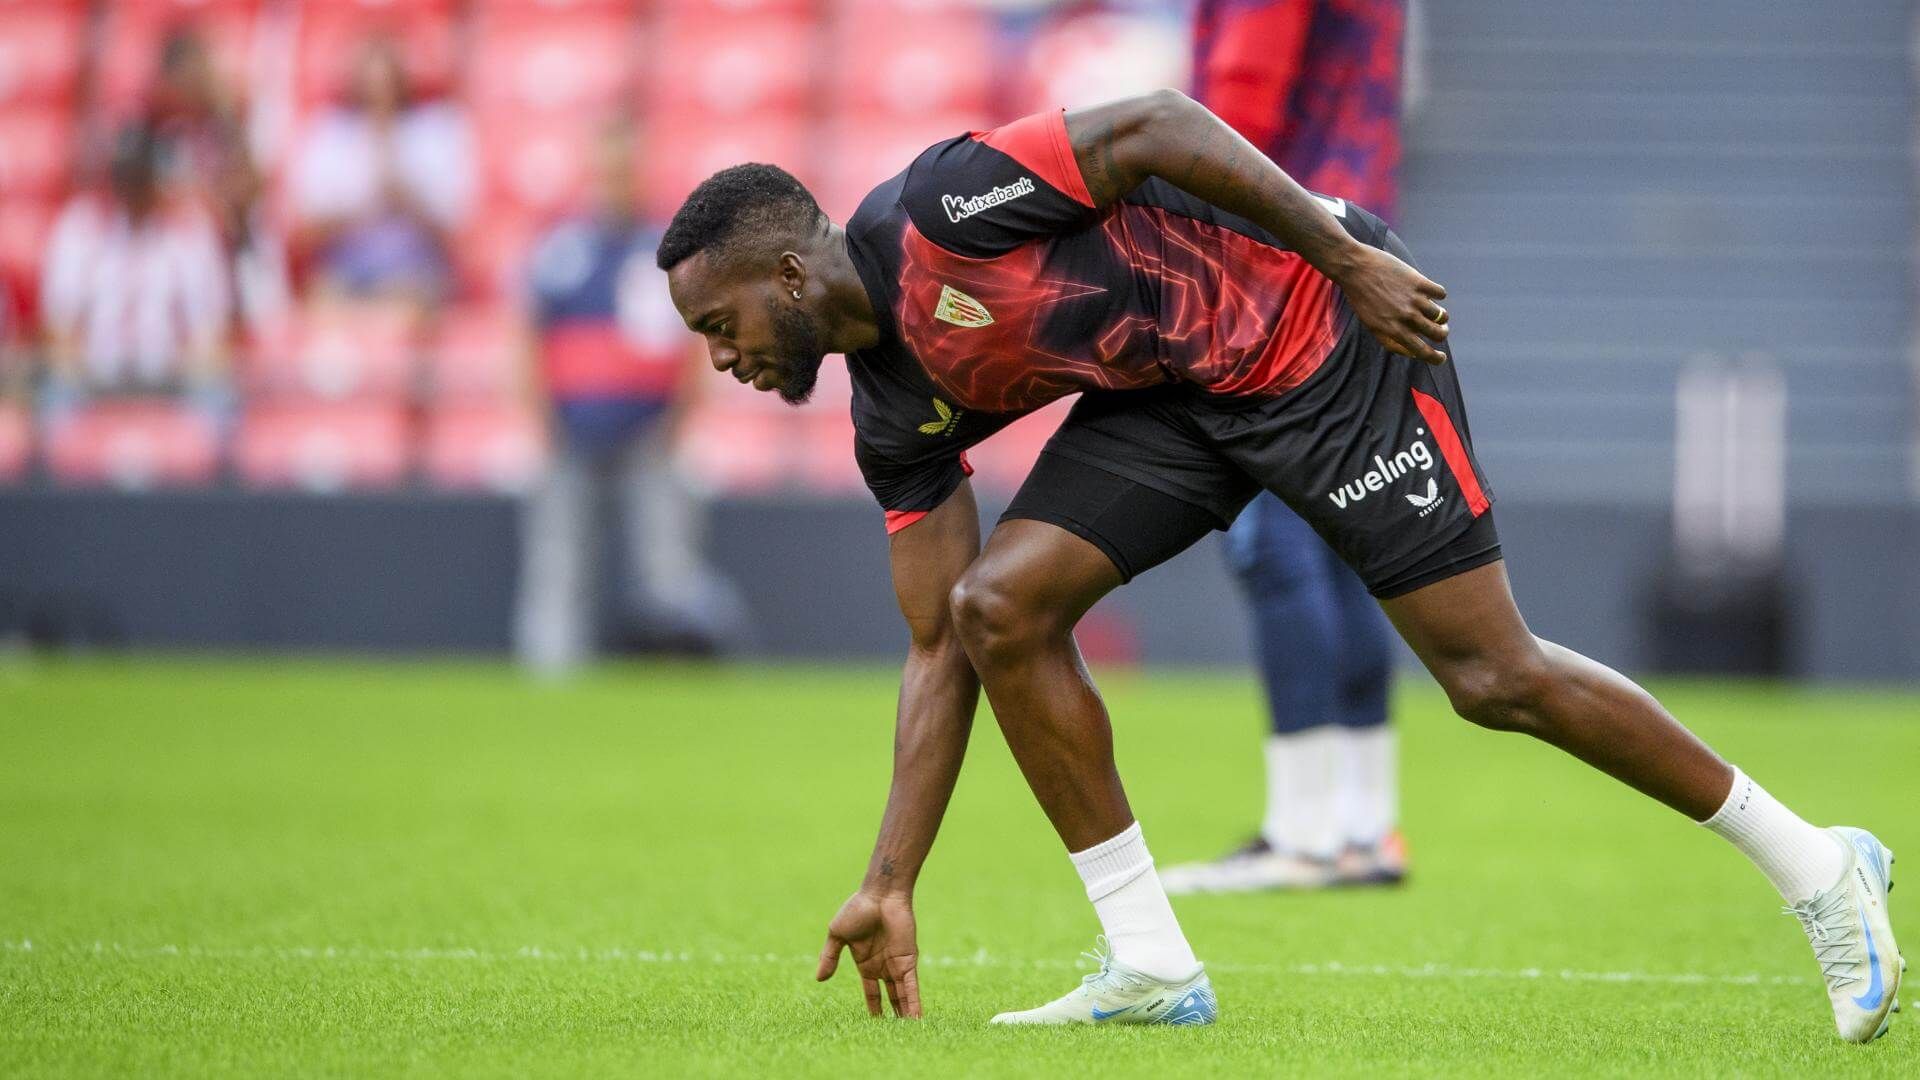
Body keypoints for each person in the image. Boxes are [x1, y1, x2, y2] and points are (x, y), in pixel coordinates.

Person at [656, 91, 1901, 1039]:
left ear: (788, 273)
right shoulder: (890, 420)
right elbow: (939, 645)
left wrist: (1347, 255)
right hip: (1182, 396)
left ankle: (1819, 866)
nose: (723, 357)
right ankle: (1149, 959)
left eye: (721, 327)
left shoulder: (942, 207)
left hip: (1321, 330)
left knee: (1491, 677)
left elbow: (1154, 122)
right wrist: (888, 880)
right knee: (1000, 608)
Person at [1162, 0, 1409, 894]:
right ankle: (1363, 826)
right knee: (1346, 542)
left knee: (1275, 541)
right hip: (1358, 243)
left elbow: (1236, 107)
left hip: (1279, 259)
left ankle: (1305, 836)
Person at [515, 119, 744, 673]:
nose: (616, 182)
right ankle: (550, 680)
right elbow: (525, 335)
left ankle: (678, 663)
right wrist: (537, 418)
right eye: (608, 170)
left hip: (650, 432)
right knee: (559, 566)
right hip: (572, 431)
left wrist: (682, 420)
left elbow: (700, 338)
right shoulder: (560, 250)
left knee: (666, 565)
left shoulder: (668, 251)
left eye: (626, 170)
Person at [40, 123, 231, 423]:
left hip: (171, 382)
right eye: (125, 178)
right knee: (55, 403)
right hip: (94, 382)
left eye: (140, 178)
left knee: (216, 402)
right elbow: (61, 330)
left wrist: (179, 372)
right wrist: (83, 373)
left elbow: (207, 335)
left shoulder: (189, 231)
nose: (132, 190)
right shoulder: (81, 226)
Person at [289, 36, 473, 306]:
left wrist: (404, 197)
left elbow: (455, 230)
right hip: (344, 266)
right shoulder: (330, 135)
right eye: (371, 85)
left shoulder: (435, 131)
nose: (379, 95)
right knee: (325, 304)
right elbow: (306, 229)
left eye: (386, 84)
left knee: (406, 305)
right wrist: (359, 211)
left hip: (415, 267)